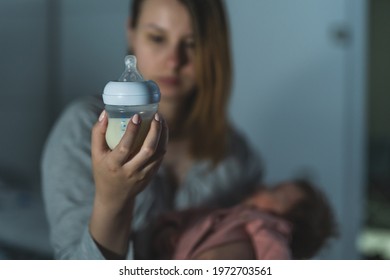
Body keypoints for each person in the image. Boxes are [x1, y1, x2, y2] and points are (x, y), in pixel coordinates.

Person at [41, 0, 262, 260]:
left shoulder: (233, 156)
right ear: (131, 33)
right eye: (157, 38)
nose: (174, 61)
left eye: (192, 43)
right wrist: (113, 200)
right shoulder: (84, 129)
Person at [150, 179, 338, 260]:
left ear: (286, 221)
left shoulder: (266, 227)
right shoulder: (226, 213)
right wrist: (169, 229)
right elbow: (190, 216)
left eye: (274, 191)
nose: (264, 186)